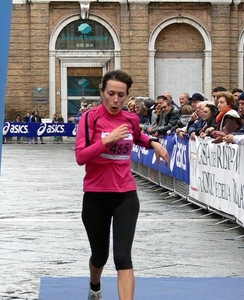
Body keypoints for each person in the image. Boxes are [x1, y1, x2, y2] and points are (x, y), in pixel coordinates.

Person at [75, 70, 169, 300]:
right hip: (96, 196)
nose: (116, 100)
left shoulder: (131, 119)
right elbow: (81, 157)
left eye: (121, 95)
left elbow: (138, 136)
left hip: (125, 195)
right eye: (111, 94)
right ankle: (95, 285)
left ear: (127, 96)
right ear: (102, 93)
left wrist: (154, 143)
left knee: (122, 257)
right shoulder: (90, 118)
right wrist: (107, 140)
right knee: (99, 256)